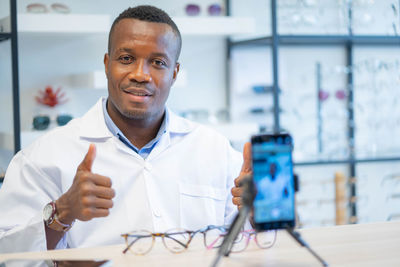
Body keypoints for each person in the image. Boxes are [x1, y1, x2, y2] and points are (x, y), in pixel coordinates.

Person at [0, 5, 251, 253]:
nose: (140, 75)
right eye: (126, 59)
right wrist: (62, 212)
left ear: (174, 73)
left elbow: (247, 246)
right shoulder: (43, 157)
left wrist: (260, 214)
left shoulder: (215, 150)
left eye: (158, 62)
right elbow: (10, 255)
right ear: (107, 64)